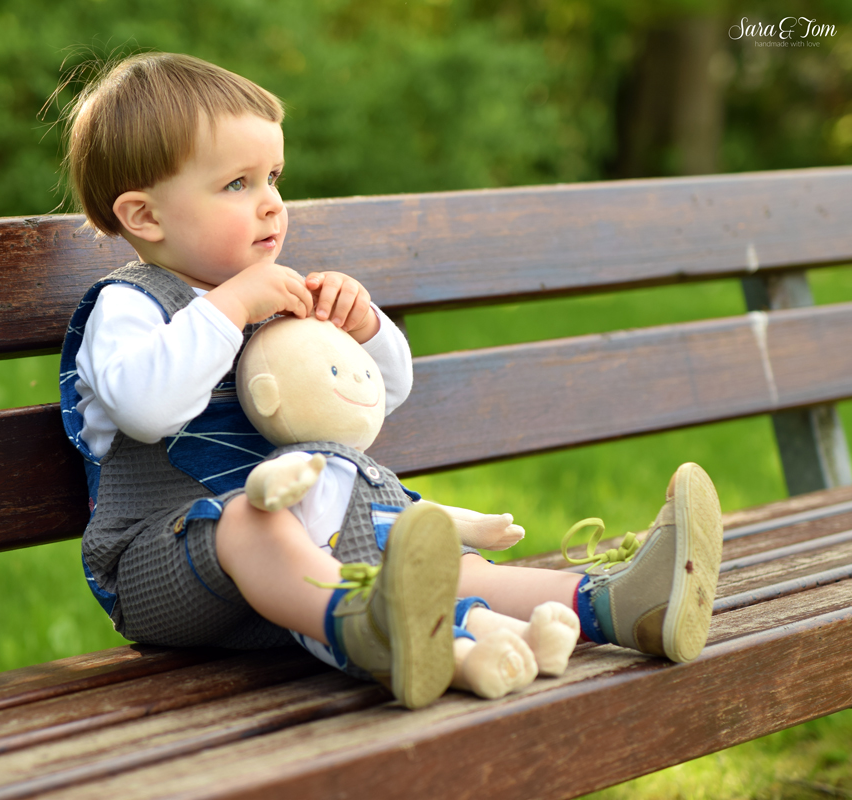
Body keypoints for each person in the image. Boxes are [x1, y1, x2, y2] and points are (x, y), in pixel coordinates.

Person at [57, 52, 723, 709]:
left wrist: (364, 327)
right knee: (250, 525)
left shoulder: (271, 296)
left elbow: (380, 397)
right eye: (238, 184)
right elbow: (147, 407)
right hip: (164, 568)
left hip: (302, 566)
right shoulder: (131, 305)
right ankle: (377, 627)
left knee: (428, 559)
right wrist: (232, 306)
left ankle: (612, 605)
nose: (272, 205)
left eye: (274, 178)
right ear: (145, 217)